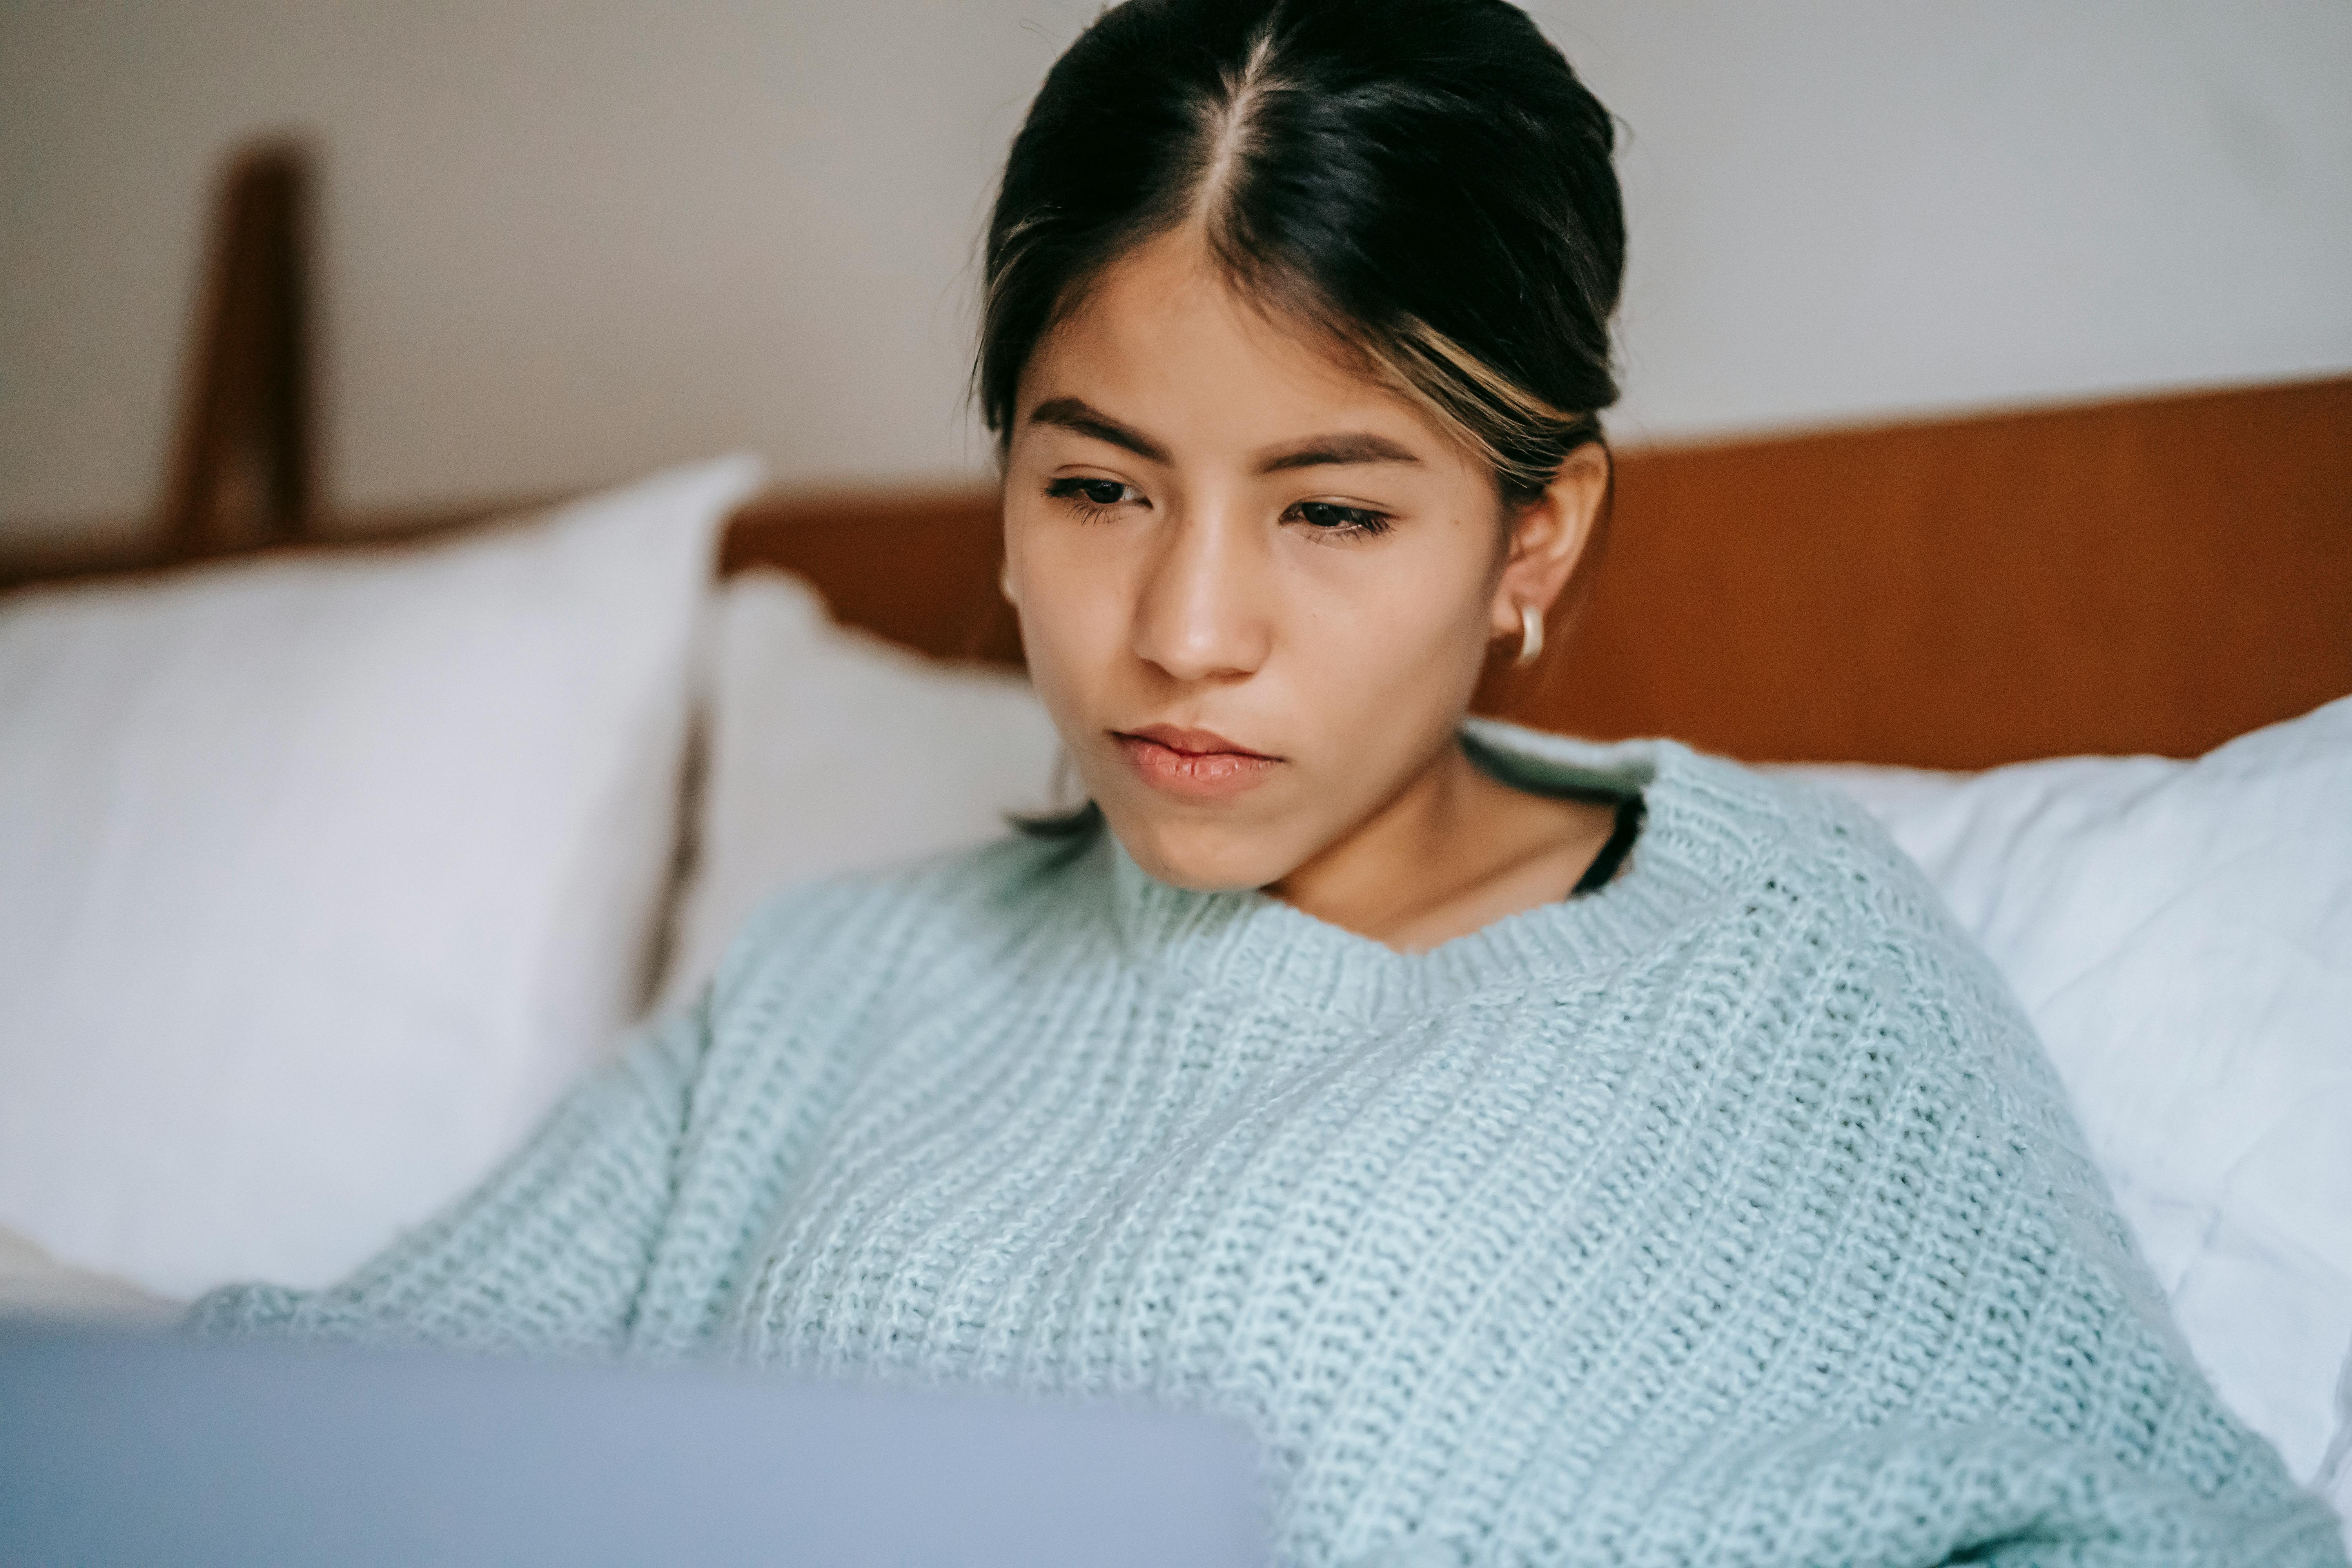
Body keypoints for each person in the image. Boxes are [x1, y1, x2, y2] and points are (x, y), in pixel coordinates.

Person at [193, 0, 2344, 1562]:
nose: (1184, 627)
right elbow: (280, 1431)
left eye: (1330, 513)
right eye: (1100, 485)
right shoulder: (840, 982)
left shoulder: (1771, 958)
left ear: (1537, 538)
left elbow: (2155, 1530)